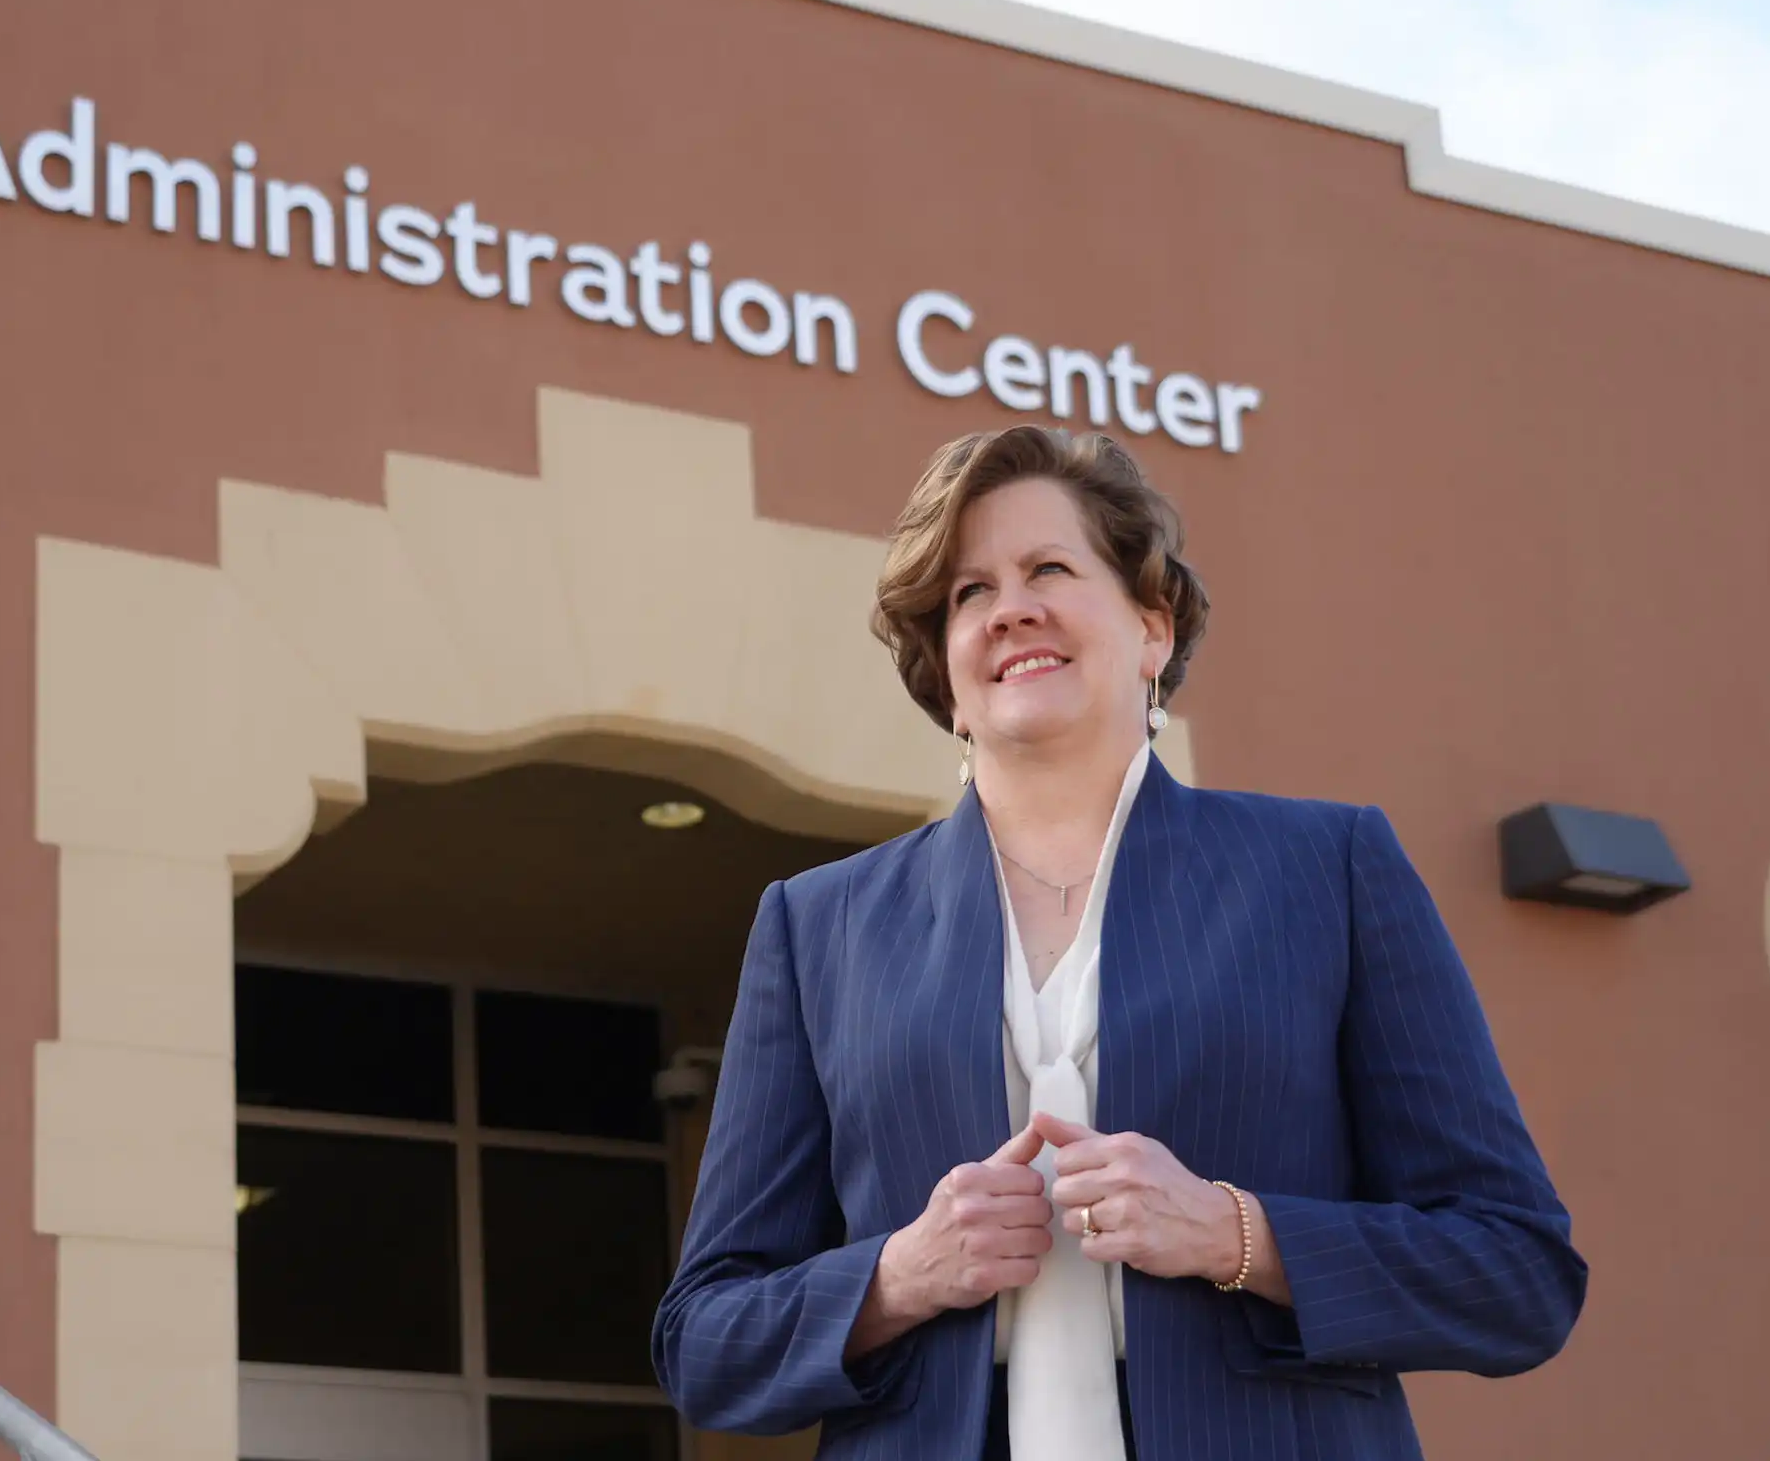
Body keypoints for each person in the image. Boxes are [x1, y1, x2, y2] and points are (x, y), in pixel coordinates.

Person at [651, 427, 1585, 1459]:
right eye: (969, 593)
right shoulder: (817, 925)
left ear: (1152, 625)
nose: (1011, 608)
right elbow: (706, 1343)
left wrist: (1236, 1234)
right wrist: (903, 1273)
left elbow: (1519, 1276)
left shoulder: (1330, 870)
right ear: (945, 673)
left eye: (1049, 567)